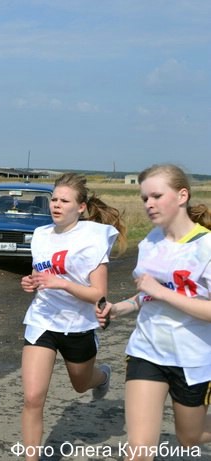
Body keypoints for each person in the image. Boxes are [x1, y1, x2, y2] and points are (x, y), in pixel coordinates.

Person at [96, 164, 211, 460]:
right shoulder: (150, 242)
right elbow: (147, 295)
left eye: (157, 196)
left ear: (182, 195)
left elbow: (164, 293)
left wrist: (162, 292)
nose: (149, 204)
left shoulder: (207, 247)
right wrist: (120, 308)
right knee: (139, 452)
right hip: (147, 351)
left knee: (191, 438)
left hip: (193, 359)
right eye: (144, 198)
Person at [19, 172, 126, 461]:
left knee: (81, 384)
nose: (55, 204)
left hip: (78, 325)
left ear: (80, 207)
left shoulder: (91, 238)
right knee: (32, 398)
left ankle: (102, 376)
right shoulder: (41, 235)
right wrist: (31, 283)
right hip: (42, 321)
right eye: (53, 199)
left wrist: (62, 283)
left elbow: (99, 294)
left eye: (64, 200)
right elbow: (38, 275)